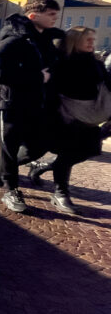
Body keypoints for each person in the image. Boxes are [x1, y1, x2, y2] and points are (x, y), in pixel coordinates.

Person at [0, 0, 61, 212]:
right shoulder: (13, 38)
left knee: (39, 145)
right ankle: (11, 190)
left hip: (35, 102)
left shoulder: (45, 39)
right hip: (10, 101)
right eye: (51, 14)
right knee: (9, 147)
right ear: (33, 16)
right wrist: (37, 77)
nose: (55, 18)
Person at [29, 26, 111, 214]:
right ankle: (60, 193)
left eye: (93, 39)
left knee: (87, 151)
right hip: (64, 117)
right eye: (87, 39)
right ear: (74, 40)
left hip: (87, 118)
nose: (92, 42)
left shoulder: (96, 62)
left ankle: (42, 165)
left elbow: (106, 87)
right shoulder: (60, 61)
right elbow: (50, 89)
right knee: (67, 152)